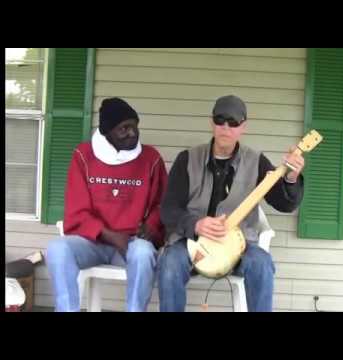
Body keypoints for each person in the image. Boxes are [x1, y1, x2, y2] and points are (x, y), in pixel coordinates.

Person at [157, 95, 305, 312]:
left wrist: (291, 178)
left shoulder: (256, 161)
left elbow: (285, 204)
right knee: (169, 263)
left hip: (239, 245)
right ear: (211, 122)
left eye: (233, 122)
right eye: (220, 119)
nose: (226, 127)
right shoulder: (187, 159)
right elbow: (168, 209)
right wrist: (195, 225)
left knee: (262, 264)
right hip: (191, 242)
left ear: (243, 126)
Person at [46, 97, 168, 312]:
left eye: (134, 126)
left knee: (143, 253)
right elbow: (77, 210)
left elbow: (162, 203)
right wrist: (110, 235)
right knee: (57, 248)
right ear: (107, 132)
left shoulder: (151, 158)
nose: (132, 133)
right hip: (92, 242)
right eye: (124, 128)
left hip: (131, 243)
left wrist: (150, 227)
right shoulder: (84, 156)